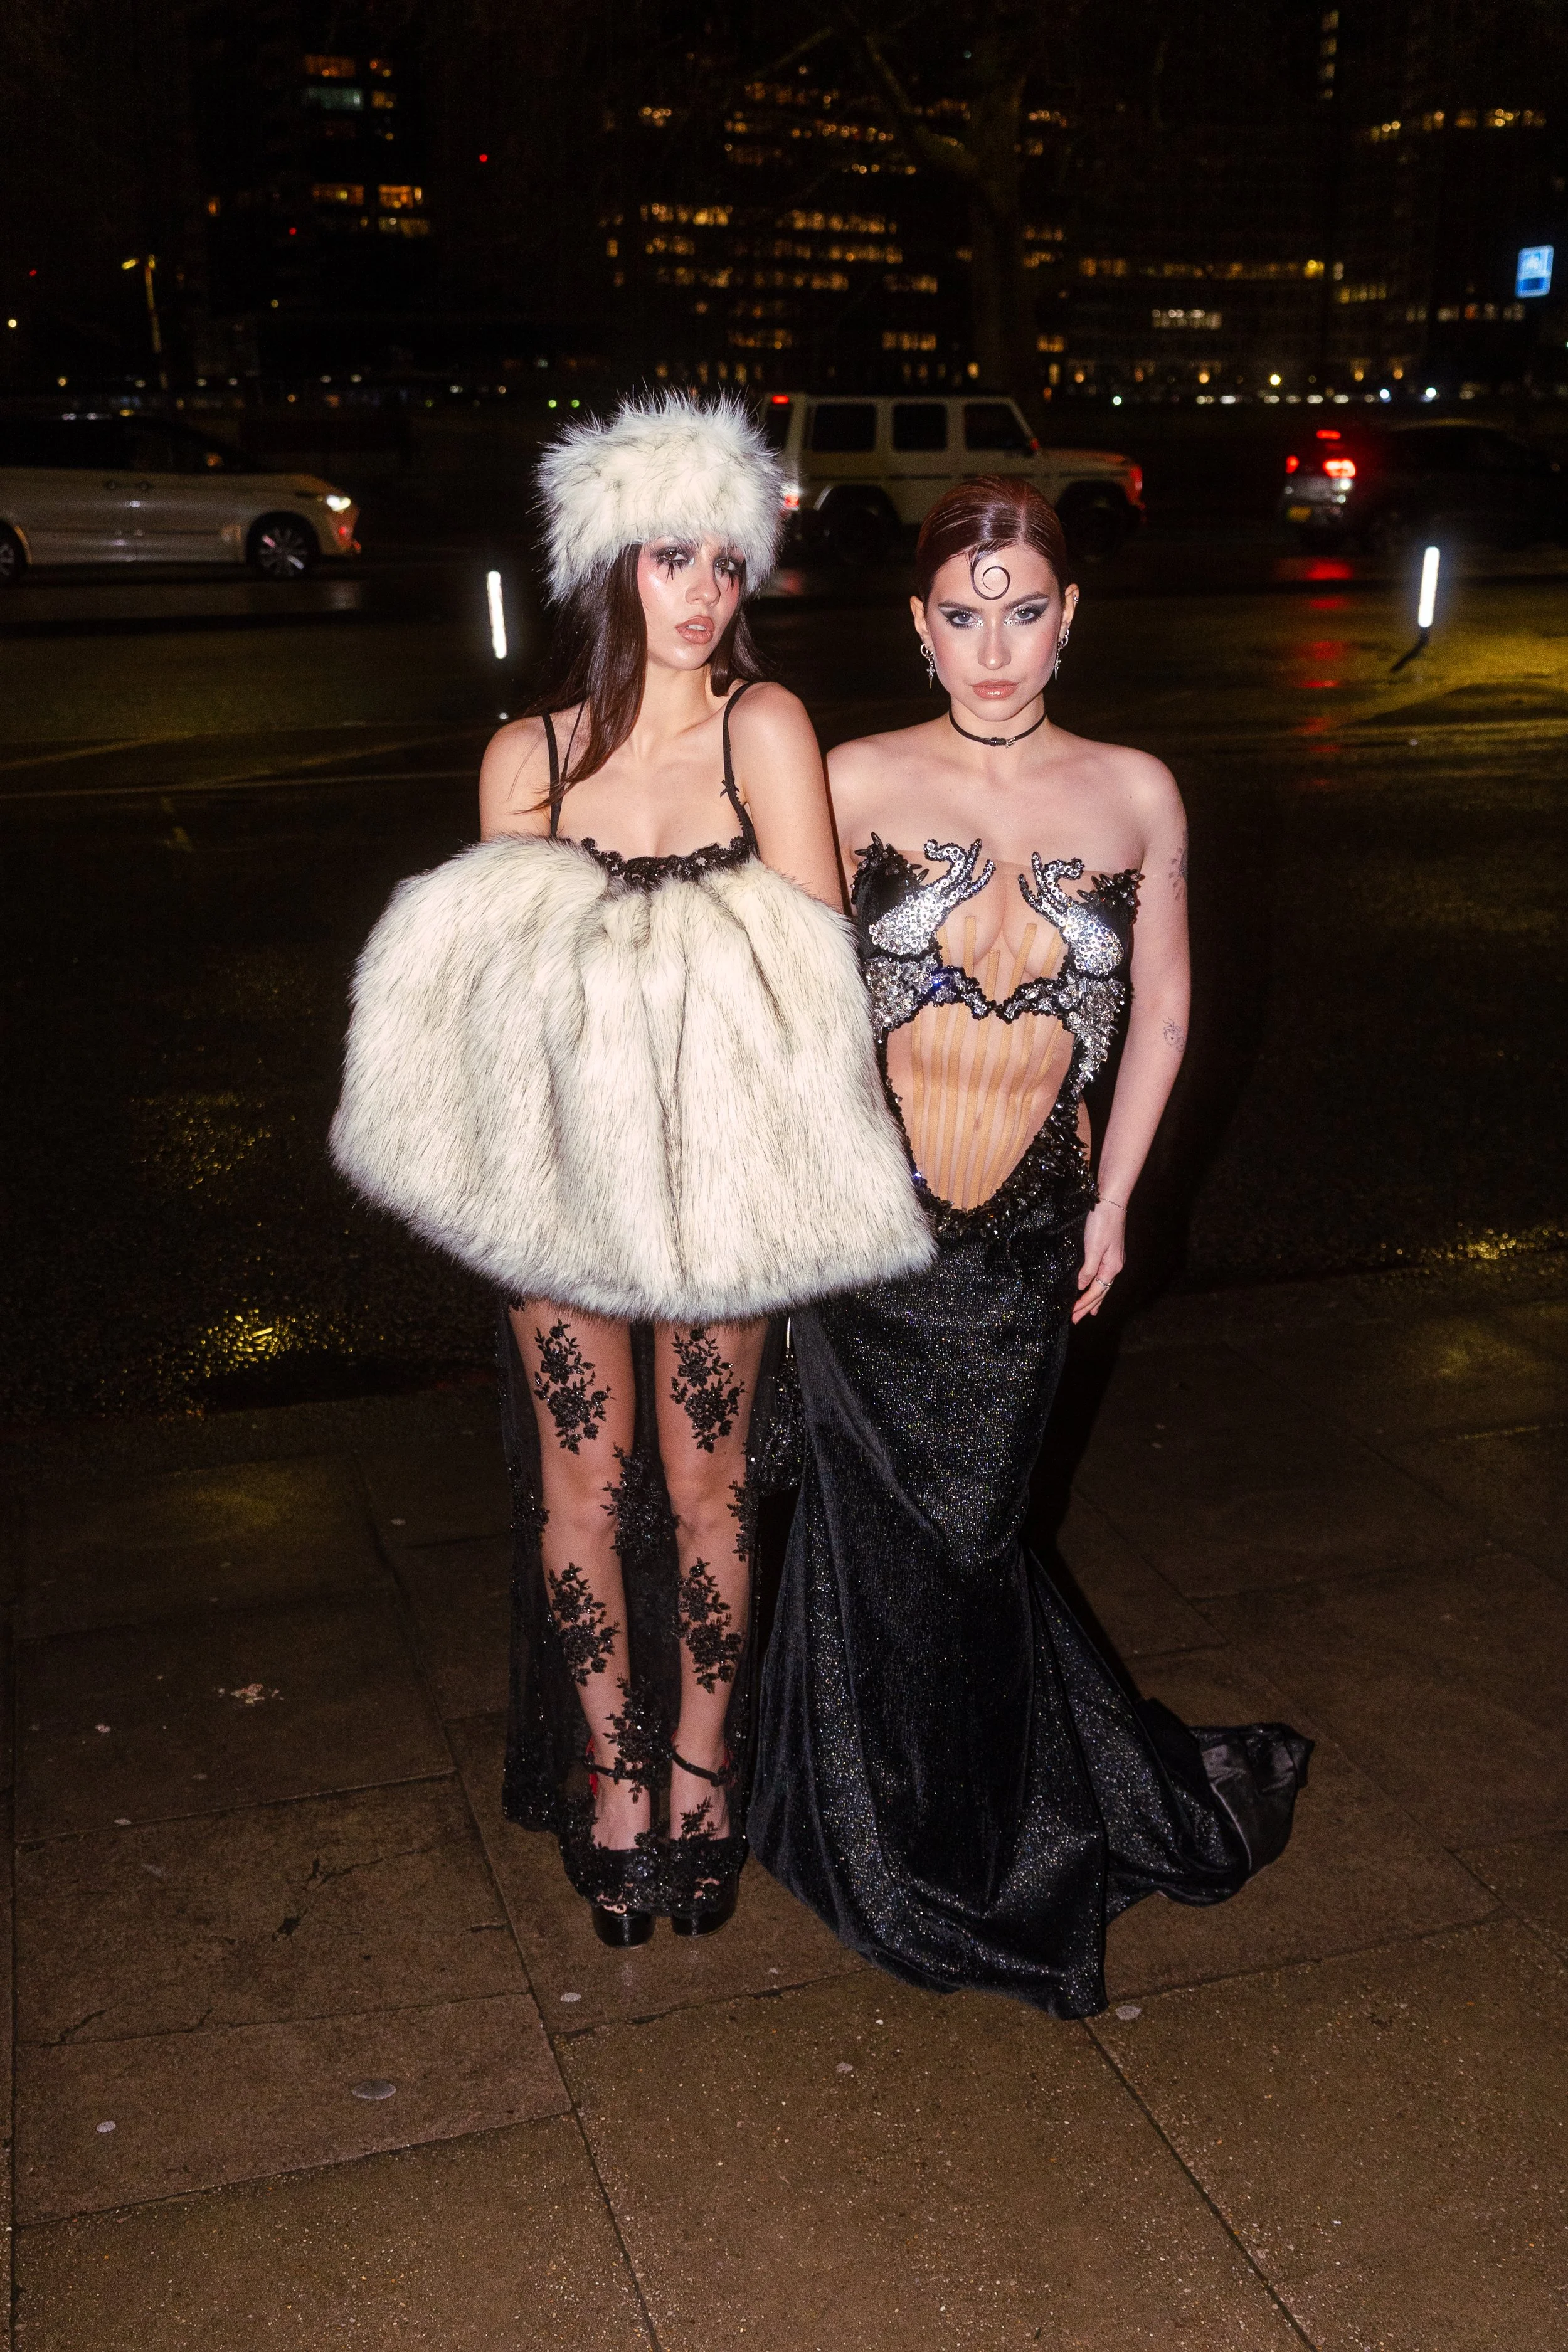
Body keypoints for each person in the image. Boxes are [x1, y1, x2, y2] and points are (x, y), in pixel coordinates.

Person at [331, 393, 931, 1946]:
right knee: (582, 1486)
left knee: (707, 1481)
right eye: (671, 557)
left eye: (724, 561)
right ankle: (611, 1774)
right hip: (562, 1183)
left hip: (724, 1181)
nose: (703, 591)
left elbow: (813, 978)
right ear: (609, 568)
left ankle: (702, 1770)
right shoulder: (524, 757)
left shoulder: (763, 726)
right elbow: (501, 1002)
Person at [750, 475, 1310, 2017]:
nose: (990, 649)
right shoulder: (851, 779)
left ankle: (990, 1821)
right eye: (960, 614)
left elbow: (1165, 1007)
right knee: (883, 1544)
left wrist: (1117, 1199)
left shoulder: (1134, 792)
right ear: (916, 626)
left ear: (1068, 619)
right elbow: (774, 996)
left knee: (970, 1538)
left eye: (1020, 612)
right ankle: (900, 1835)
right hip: (866, 1233)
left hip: (1024, 1245)